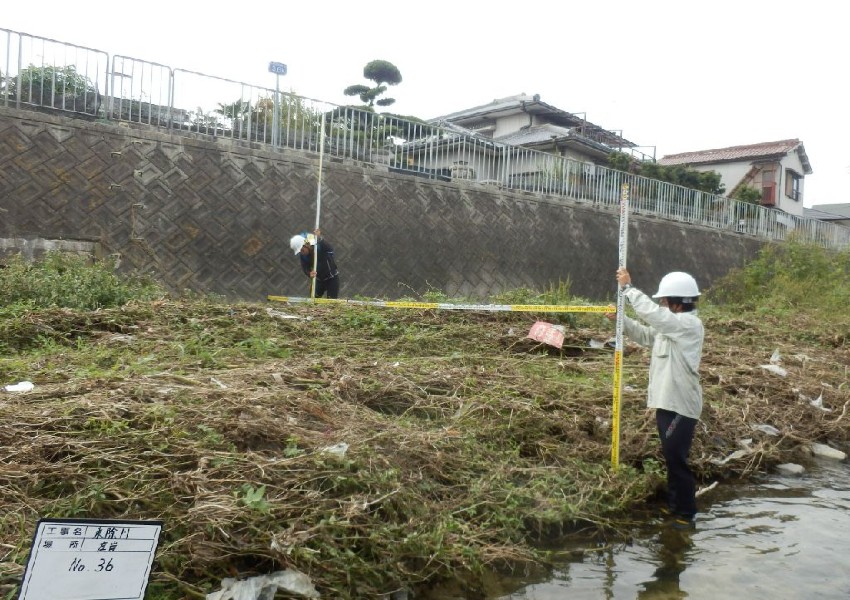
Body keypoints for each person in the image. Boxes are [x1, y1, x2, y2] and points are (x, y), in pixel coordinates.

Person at [613, 267, 704, 530]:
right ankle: (675, 506)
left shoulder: (688, 325)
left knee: (677, 459)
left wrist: (629, 290)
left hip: (681, 406)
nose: (661, 305)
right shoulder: (671, 328)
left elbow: (655, 318)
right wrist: (620, 319)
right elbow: (644, 334)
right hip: (666, 402)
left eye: (664, 301)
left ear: (678, 302)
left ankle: (685, 515)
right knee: (671, 456)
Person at [289, 228, 340, 299]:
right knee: (312, 301)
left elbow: (330, 250)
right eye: (300, 251)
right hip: (318, 280)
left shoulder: (319, 245)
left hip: (332, 278)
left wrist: (320, 239)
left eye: (302, 250)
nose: (301, 253)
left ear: (306, 245)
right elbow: (305, 267)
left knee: (332, 302)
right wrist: (309, 273)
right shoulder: (303, 255)